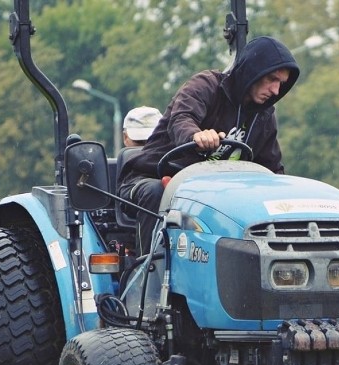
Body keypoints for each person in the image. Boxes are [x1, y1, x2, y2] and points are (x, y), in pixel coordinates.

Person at [118, 36, 300, 255]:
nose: (275, 91)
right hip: (149, 178)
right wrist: (195, 136)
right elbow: (182, 118)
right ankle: (150, 271)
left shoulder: (264, 116)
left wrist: (286, 202)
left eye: (281, 83)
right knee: (157, 192)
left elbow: (271, 167)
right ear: (253, 71)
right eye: (272, 79)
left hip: (208, 192)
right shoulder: (206, 86)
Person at [121, 105, 217, 365]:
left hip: (187, 252)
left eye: (150, 138)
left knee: (185, 356)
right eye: (139, 140)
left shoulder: (182, 160)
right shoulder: (134, 171)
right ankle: (152, 269)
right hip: (144, 248)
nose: (143, 144)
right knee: (169, 357)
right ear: (127, 140)